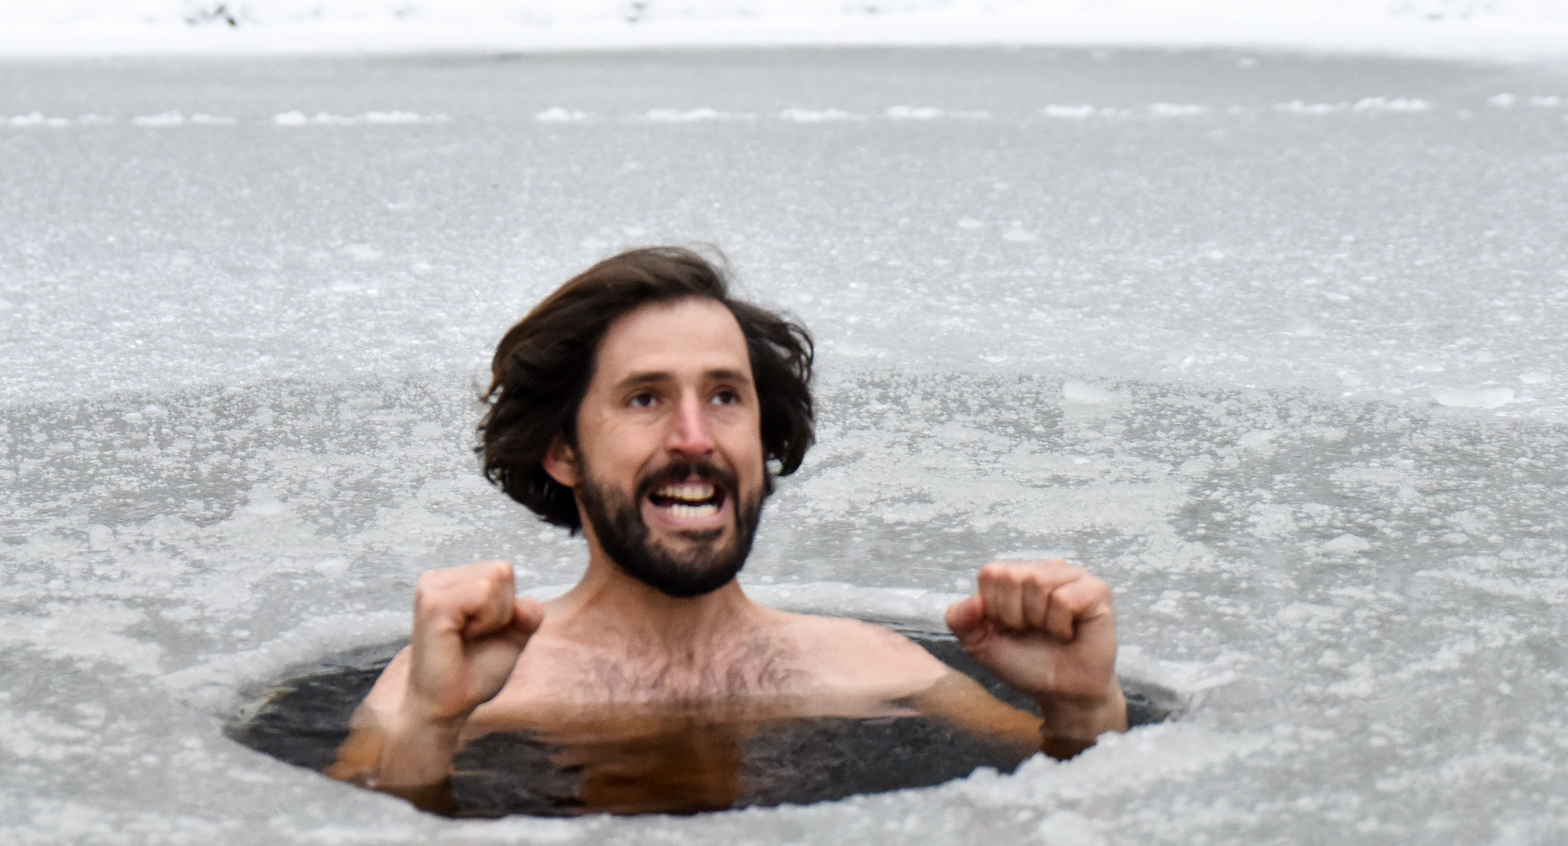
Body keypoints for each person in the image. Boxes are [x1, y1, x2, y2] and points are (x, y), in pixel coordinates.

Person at [330, 247, 1134, 808]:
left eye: (725, 395)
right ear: (563, 450)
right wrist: (431, 732)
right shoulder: (451, 689)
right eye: (645, 398)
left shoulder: (874, 667)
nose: (694, 437)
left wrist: (1083, 707)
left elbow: (1086, 826)